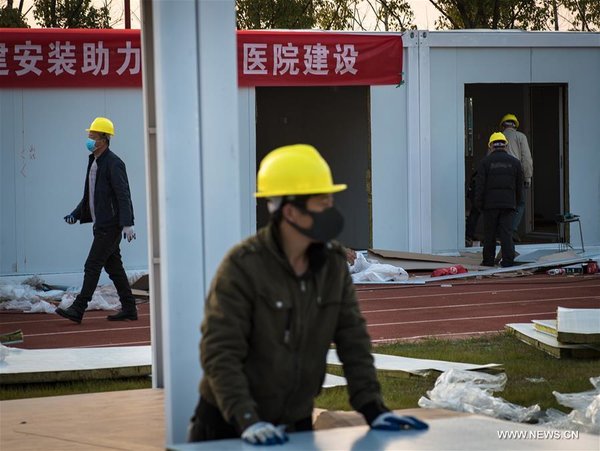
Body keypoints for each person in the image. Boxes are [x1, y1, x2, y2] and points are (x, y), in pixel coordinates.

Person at [188, 144, 428, 445]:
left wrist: (373, 408)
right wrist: (246, 419)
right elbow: (220, 352)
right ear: (290, 211)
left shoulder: (331, 266)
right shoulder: (242, 267)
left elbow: (352, 338)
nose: (331, 211)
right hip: (228, 424)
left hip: (296, 420)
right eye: (321, 203)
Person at [56, 117, 138, 324]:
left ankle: (78, 308)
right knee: (114, 268)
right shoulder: (94, 161)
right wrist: (76, 213)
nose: (89, 138)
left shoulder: (114, 163)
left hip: (110, 225)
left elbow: (123, 194)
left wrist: (128, 223)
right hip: (100, 224)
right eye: (89, 135)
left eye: (93, 136)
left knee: (92, 265)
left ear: (104, 139)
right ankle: (129, 308)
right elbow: (91, 195)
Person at [475, 133, 523, 268]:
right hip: (508, 204)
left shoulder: (485, 163)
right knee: (506, 234)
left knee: (489, 235)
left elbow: (480, 186)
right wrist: (516, 202)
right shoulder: (515, 163)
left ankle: (488, 262)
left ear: (491, 146)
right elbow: (519, 187)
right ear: (506, 146)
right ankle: (508, 262)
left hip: (490, 205)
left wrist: (479, 204)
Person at [499, 114, 533, 241]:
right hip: (515, 175)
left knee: (501, 204)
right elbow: (526, 159)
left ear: (503, 125)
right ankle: (511, 230)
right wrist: (527, 177)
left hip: (499, 177)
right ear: (515, 125)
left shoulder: (498, 138)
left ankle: (501, 231)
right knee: (520, 203)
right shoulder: (521, 137)